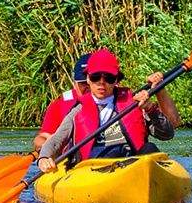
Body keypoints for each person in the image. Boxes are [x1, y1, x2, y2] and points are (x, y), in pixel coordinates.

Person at [35, 48, 180, 172]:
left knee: (149, 148)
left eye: (109, 78)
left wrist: (150, 110)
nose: (101, 83)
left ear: (117, 80)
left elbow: (166, 135)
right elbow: (56, 140)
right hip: (94, 168)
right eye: (96, 77)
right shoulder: (78, 111)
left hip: (132, 165)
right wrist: (43, 157)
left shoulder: (134, 103)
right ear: (88, 79)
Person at [32, 53, 91, 151]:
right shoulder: (60, 104)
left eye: (94, 80)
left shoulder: (117, 100)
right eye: (83, 84)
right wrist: (50, 145)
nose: (89, 87)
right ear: (74, 83)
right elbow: (40, 139)